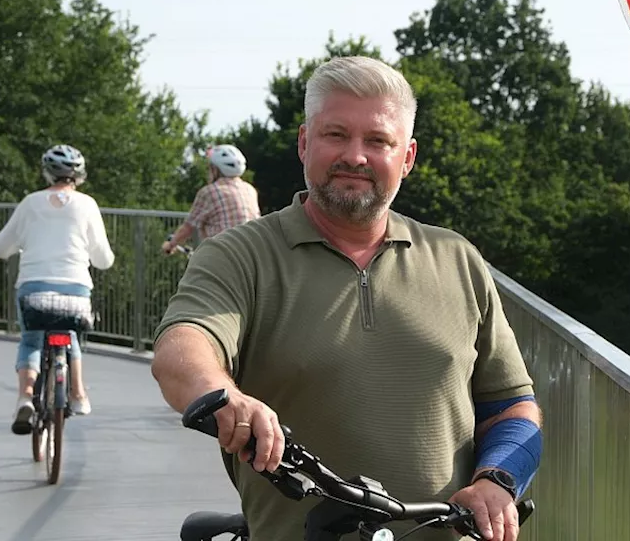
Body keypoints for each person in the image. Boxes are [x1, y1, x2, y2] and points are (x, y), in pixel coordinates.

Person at [150, 56, 543, 541]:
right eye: (336, 135)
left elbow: (511, 407)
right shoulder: (240, 255)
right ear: (304, 143)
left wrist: (498, 480)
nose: (355, 156)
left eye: (378, 141)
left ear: (408, 157)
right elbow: (182, 348)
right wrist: (223, 395)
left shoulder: (456, 258)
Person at [0, 144, 115, 434]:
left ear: (47, 172)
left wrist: (14, 249)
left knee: (31, 341)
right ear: (79, 175)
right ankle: (78, 394)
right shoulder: (87, 205)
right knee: (72, 334)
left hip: (33, 287)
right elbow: (104, 259)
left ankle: (25, 398)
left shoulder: (31, 203)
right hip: (75, 287)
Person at [160, 144, 261, 254]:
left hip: (224, 255)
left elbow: (189, 226)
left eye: (210, 168)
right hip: (251, 254)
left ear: (215, 170)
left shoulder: (210, 192)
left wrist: (171, 244)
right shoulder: (250, 190)